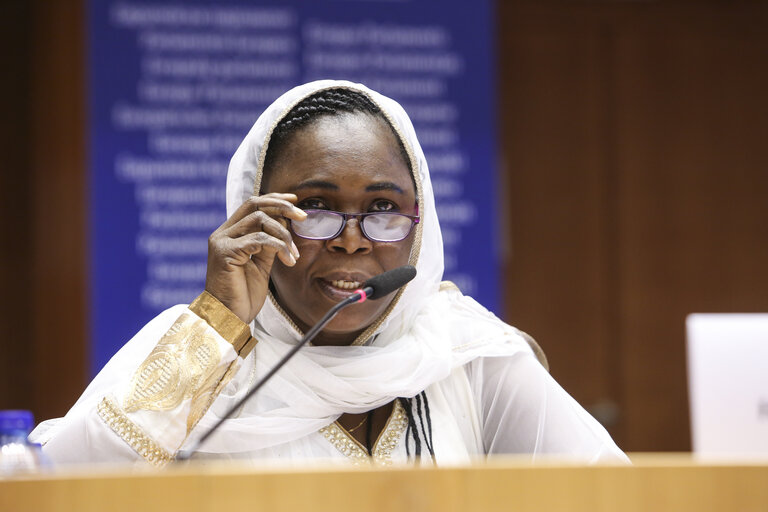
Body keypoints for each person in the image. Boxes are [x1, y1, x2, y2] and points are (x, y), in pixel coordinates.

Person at [31, 80, 627, 466]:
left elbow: (610, 491)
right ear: (257, 216)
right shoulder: (201, 351)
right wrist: (216, 326)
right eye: (314, 208)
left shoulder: (462, 357)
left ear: (420, 226)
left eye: (383, 210)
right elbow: (58, 488)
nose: (349, 241)